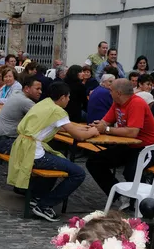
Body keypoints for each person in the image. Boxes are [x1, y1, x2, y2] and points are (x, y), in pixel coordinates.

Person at [8, 82, 99, 221]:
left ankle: (37, 196)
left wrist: (82, 128)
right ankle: (44, 205)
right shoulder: (58, 111)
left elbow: (59, 126)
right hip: (34, 153)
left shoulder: (45, 103)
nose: (69, 100)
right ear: (62, 97)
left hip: (24, 148)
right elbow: (79, 137)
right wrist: (93, 131)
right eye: (68, 97)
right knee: (78, 173)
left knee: (57, 158)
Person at [87, 79, 154, 198]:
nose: (109, 93)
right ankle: (118, 195)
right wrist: (96, 126)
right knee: (94, 162)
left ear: (119, 93)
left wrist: (105, 129)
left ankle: (142, 203)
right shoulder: (117, 103)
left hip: (148, 147)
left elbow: (132, 132)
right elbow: (105, 122)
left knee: (131, 171)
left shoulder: (137, 103)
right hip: (129, 146)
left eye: (111, 90)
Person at [0, 74, 43, 154]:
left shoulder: (17, 94)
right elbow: (44, 119)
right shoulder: (25, 101)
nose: (40, 92)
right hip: (5, 142)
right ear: (26, 89)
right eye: (37, 89)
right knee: (40, 152)